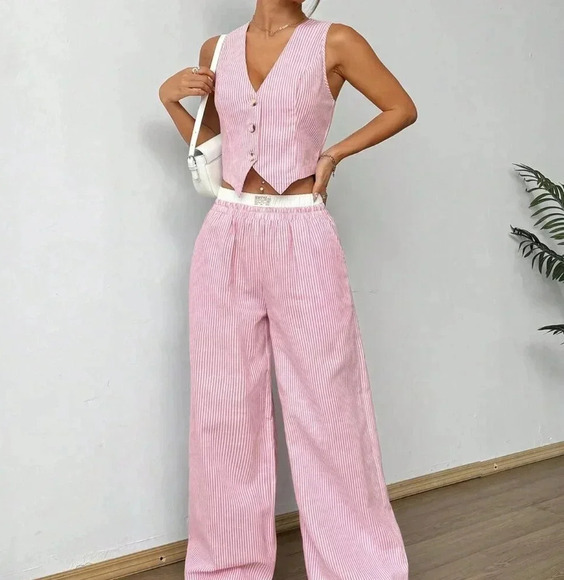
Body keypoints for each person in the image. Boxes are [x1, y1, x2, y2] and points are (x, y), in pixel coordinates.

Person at [159, 1, 417, 578]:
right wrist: (172, 102)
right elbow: (216, 146)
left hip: (301, 230)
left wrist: (335, 154)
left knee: (328, 407)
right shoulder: (217, 51)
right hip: (226, 232)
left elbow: (401, 107)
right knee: (225, 410)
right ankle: (228, 566)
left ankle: (358, 566)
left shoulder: (336, 41)